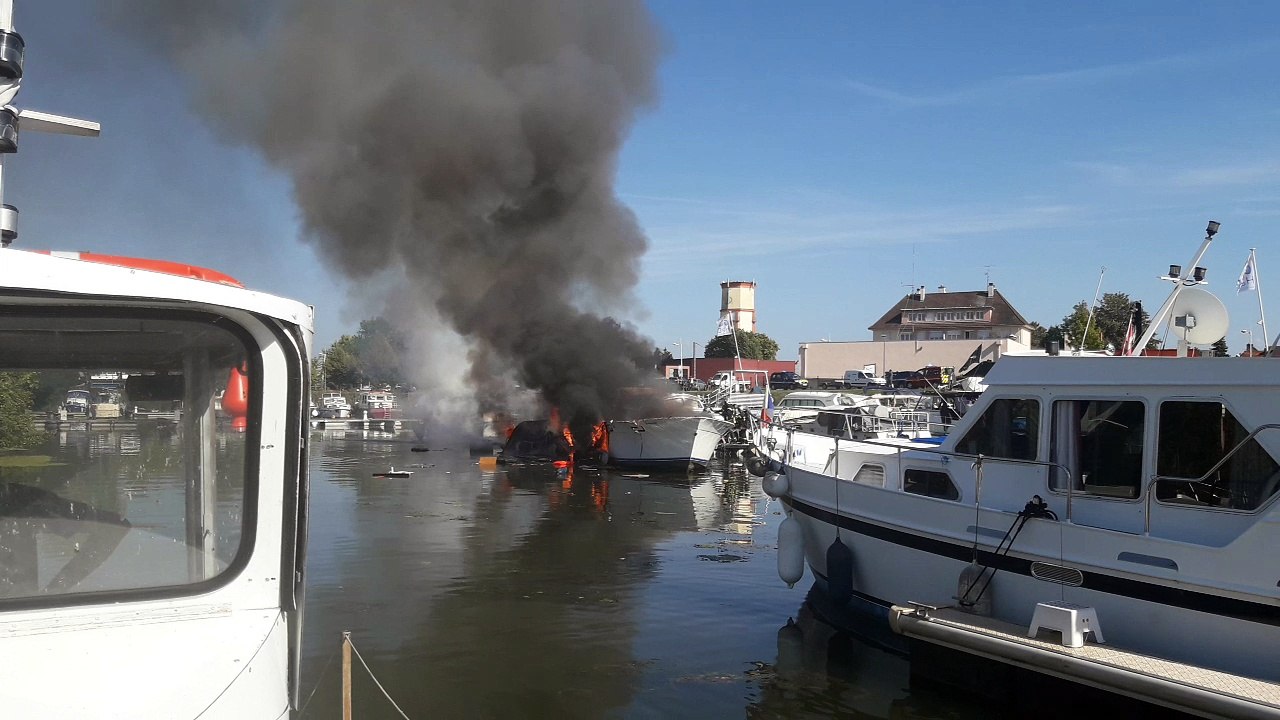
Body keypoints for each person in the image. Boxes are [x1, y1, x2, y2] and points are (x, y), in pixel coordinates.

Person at [0, 482, 131, 596]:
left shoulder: (22, 501)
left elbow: (112, 528)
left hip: (26, 615)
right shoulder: (21, 500)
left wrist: (58, 587)